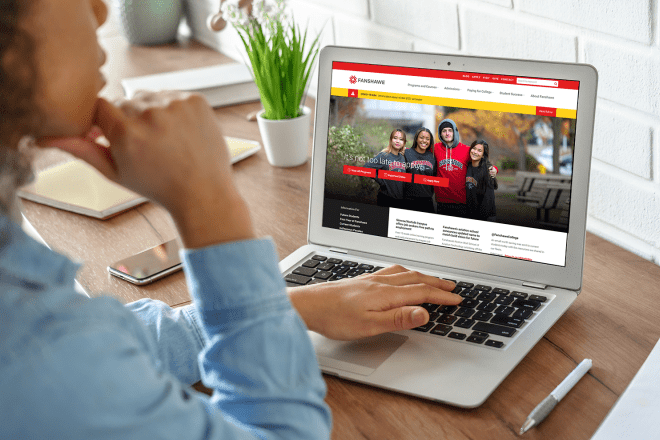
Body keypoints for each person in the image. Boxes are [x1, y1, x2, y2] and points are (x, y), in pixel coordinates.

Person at [0, 1, 463, 438]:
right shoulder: (30, 348)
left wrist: (290, 306)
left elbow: (96, 355)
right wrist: (207, 203)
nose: (101, 10)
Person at [433, 119, 497, 218]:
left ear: (454, 132)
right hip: (442, 202)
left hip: (461, 203)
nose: (447, 133)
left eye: (450, 130)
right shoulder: (435, 148)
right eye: (444, 131)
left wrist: (495, 169)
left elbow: (483, 162)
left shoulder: (466, 150)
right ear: (440, 134)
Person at [364, 128, 408, 209]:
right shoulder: (384, 155)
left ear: (404, 143)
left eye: (401, 139)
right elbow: (366, 168)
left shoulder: (403, 158)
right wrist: (381, 181)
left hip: (401, 201)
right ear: (391, 140)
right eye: (395, 138)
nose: (398, 141)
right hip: (386, 199)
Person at [403, 127, 436, 213]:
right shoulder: (406, 153)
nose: (424, 141)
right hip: (407, 201)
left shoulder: (433, 157)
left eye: (427, 139)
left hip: (427, 202)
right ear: (416, 138)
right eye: (421, 137)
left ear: (430, 141)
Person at [465, 140, 498, 221]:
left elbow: (488, 200)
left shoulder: (487, 171)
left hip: (485, 217)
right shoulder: (468, 166)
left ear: (483, 155)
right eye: (474, 148)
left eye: (479, 150)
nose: (475, 152)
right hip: (471, 214)